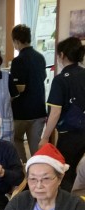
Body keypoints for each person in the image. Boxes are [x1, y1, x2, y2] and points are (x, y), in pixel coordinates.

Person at [38, 37, 85, 192]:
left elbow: (55, 112)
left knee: (64, 171)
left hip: (70, 135)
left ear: (62, 55)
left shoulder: (60, 80)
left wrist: (45, 137)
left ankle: (66, 203)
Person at [10, 24, 47, 163]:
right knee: (36, 148)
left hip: (21, 112)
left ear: (16, 41)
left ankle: (23, 169)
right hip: (39, 110)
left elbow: (19, 88)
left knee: (16, 139)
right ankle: (37, 172)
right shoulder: (40, 57)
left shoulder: (18, 61)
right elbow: (42, 78)